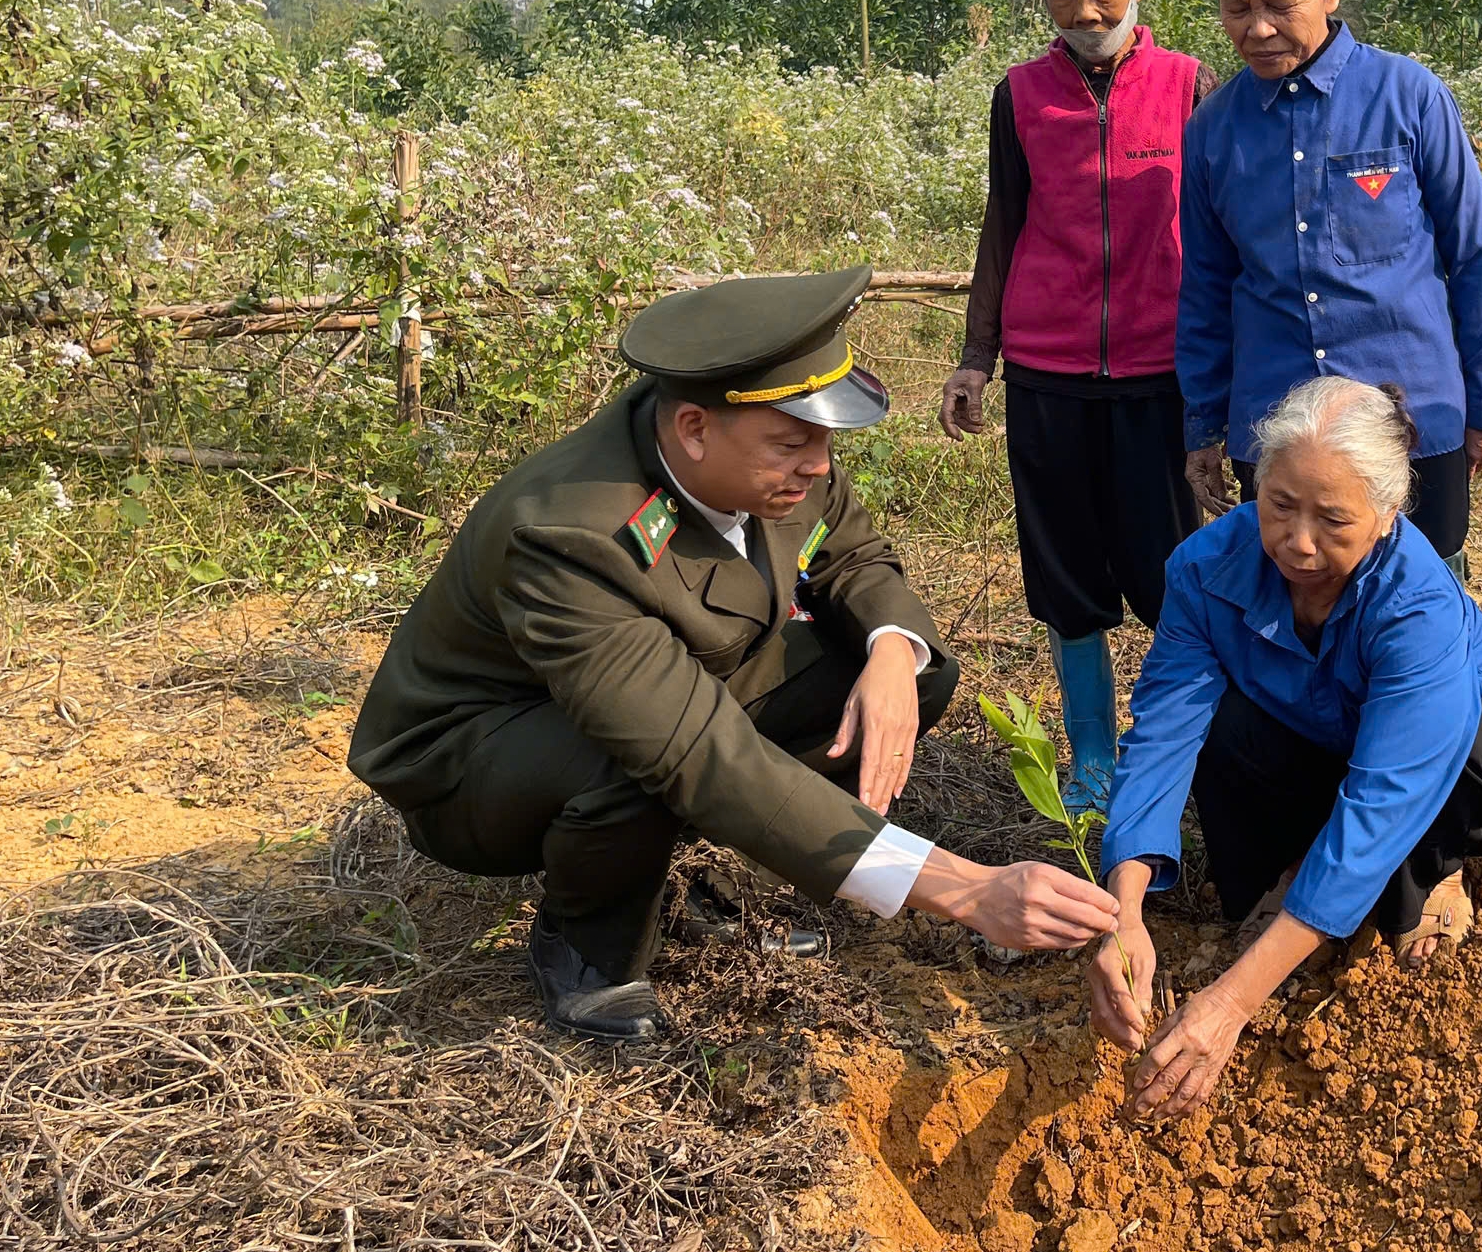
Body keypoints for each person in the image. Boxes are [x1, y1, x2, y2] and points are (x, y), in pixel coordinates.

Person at [350, 268, 1119, 1042]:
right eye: (794, 443)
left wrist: (890, 654)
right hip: (471, 759)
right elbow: (691, 749)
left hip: (647, 692)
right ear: (693, 428)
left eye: (823, 439)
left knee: (913, 671)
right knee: (634, 767)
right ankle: (587, 952)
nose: (818, 464)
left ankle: (659, 879)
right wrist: (963, 887)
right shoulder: (571, 535)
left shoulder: (765, 446)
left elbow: (851, 555)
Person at [1086, 377, 1482, 1120]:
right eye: (1279, 504)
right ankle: (1296, 879)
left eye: (1333, 518)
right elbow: (1163, 732)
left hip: (1479, 774)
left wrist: (1230, 1001)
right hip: (1333, 744)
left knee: (1464, 750)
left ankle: (1436, 868)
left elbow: (1387, 797)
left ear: (1386, 515)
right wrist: (1120, 908)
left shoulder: (1415, 598)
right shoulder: (1203, 567)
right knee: (1221, 715)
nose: (1299, 540)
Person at [940, 0, 1217, 817]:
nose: (1083, 5)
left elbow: (1222, 233)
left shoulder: (1190, 86)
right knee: (1066, 583)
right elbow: (1003, 223)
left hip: (1162, 376)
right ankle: (1092, 762)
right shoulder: (1018, 95)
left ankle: (1178, 751)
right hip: (1051, 378)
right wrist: (978, 355)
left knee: (1177, 575)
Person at [1177, 0, 1482, 584]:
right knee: (1299, 604)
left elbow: (1475, 252)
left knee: (1422, 604)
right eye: (1236, 9)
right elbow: (1206, 290)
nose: (1258, 28)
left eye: (1279, 4)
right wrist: (1203, 425)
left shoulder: (1409, 96)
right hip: (1276, 427)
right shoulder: (1213, 131)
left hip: (1412, 420)